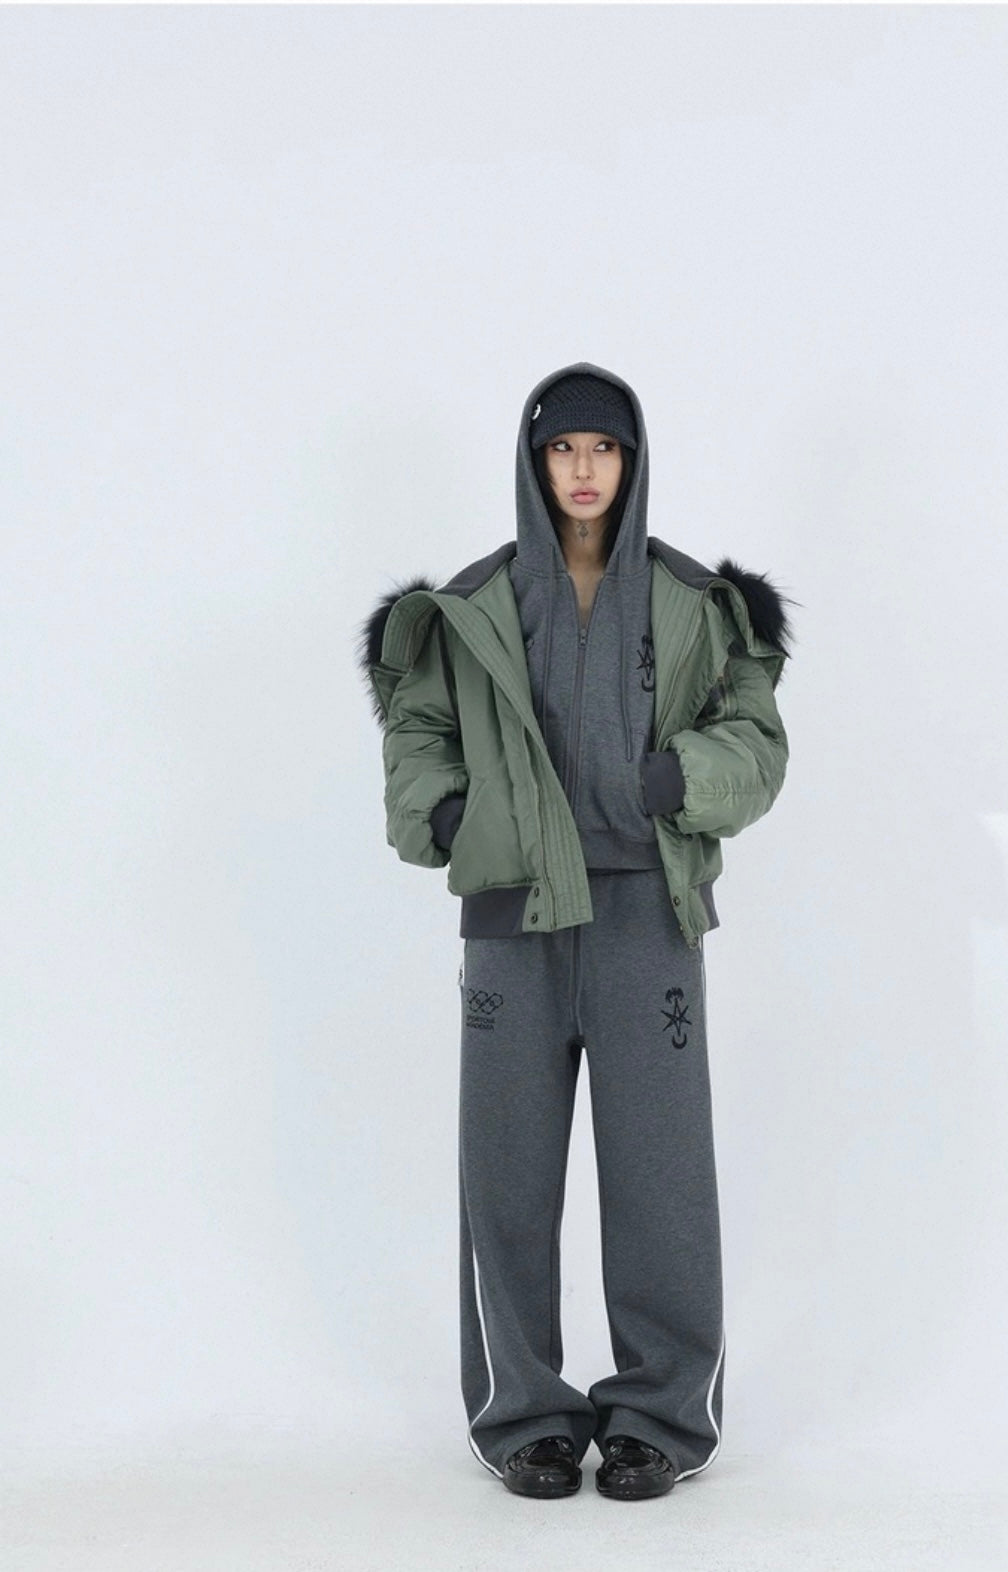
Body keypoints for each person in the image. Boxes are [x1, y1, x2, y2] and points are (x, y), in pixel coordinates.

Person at [358, 362, 793, 1500]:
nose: (584, 469)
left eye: (603, 448)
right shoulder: (476, 603)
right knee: (505, 1175)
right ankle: (524, 1419)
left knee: (662, 1178)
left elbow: (755, 740)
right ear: (533, 462)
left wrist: (677, 778)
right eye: (563, 449)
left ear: (631, 460)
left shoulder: (694, 602)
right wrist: (445, 817)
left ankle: (660, 1416)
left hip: (648, 916)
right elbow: (417, 732)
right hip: (514, 921)